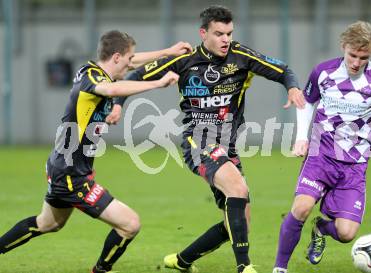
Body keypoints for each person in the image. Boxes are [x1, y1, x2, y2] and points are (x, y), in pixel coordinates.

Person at [113, 5, 301, 273]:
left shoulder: (241, 55)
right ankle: (244, 267)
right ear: (203, 34)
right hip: (198, 141)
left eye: (229, 33)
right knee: (238, 190)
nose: (226, 39)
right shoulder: (185, 59)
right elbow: (136, 75)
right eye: (219, 33)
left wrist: (292, 87)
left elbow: (282, 69)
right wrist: (119, 103)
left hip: (227, 147)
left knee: (237, 224)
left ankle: (181, 261)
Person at [0, 30, 189, 273]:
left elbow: (130, 64)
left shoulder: (92, 70)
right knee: (130, 224)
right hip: (70, 174)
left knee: (47, 224)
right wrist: (157, 83)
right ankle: (101, 270)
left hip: (65, 165)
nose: (131, 64)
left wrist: (167, 52)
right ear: (117, 57)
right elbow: (111, 90)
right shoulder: (93, 79)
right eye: (128, 59)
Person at [272, 21, 371, 273]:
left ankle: (320, 228)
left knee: (346, 233)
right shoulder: (323, 72)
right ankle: (279, 268)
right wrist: (302, 137)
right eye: (352, 55)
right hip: (321, 156)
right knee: (301, 206)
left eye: (363, 57)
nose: (357, 62)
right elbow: (306, 102)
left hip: (354, 166)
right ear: (343, 47)